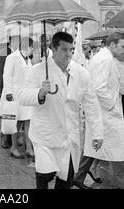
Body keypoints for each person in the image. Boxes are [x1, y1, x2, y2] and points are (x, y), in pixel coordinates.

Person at [18, 32, 104, 189]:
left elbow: (91, 104)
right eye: (64, 50)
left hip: (69, 136)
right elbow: (23, 96)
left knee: (66, 181)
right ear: (53, 49)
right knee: (44, 175)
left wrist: (97, 133)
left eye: (71, 50)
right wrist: (39, 93)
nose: (69, 54)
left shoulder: (81, 73)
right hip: (45, 136)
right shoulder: (38, 71)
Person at [74, 33, 124, 189]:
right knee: (118, 149)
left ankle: (78, 177)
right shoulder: (104, 59)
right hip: (106, 112)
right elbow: (99, 88)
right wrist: (112, 107)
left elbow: (116, 84)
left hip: (103, 112)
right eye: (123, 46)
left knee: (95, 147)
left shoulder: (108, 58)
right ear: (112, 45)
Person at [0, 37, 34, 159]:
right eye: (31, 47)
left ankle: (29, 148)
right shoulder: (12, 57)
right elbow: (6, 75)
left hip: (25, 93)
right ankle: (13, 147)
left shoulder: (28, 59)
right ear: (26, 47)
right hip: (14, 93)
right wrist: (8, 92)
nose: (32, 50)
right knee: (15, 122)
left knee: (28, 119)